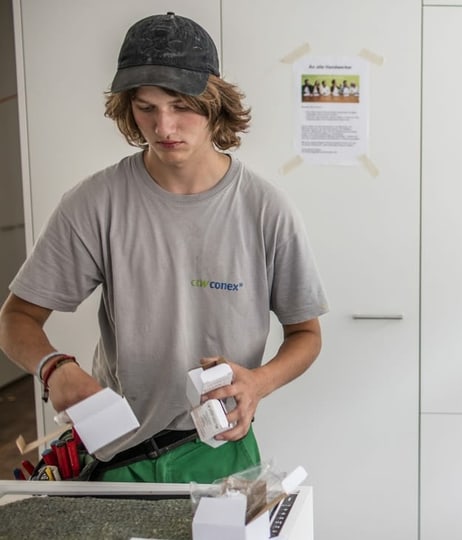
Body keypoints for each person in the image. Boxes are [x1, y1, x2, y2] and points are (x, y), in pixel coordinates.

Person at [0, 12, 328, 483]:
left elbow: (307, 335)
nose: (164, 126)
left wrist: (259, 382)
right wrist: (54, 368)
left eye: (180, 105)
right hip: (119, 458)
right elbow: (16, 319)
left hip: (221, 449)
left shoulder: (264, 209)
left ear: (214, 102)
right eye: (146, 107)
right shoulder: (95, 203)